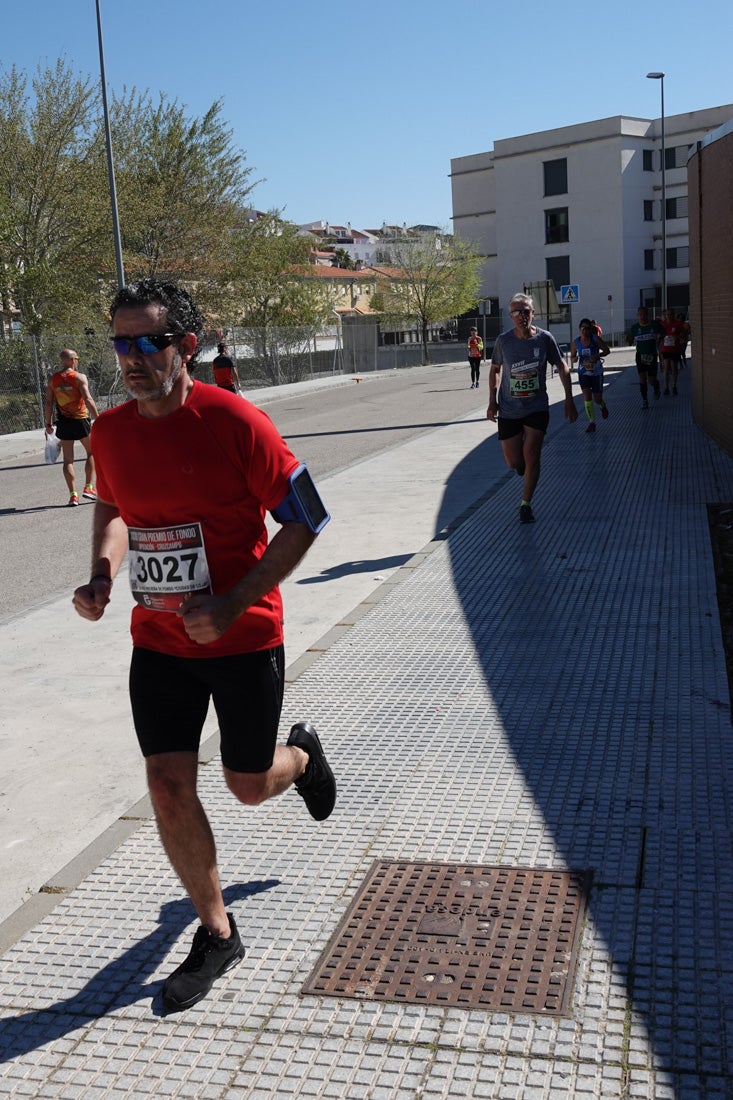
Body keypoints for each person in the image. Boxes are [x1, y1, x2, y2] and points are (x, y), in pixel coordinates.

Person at [72, 278, 336, 1013]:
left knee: (246, 786)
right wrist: (101, 572)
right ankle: (217, 931)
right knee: (167, 784)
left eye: (147, 341)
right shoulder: (111, 432)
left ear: (185, 346)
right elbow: (114, 506)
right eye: (119, 342)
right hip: (157, 641)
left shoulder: (236, 421)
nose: (130, 357)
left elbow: (306, 516)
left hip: (244, 637)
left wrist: (233, 601)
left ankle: (303, 757)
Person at [487, 293, 578, 524]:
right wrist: (491, 401)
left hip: (536, 407)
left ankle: (525, 504)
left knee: (533, 455)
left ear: (533, 313)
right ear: (511, 316)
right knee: (514, 462)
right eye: (516, 312)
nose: (521, 316)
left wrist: (569, 398)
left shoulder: (545, 339)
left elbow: (561, 365)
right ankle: (522, 470)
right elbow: (495, 369)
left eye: (525, 311)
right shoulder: (504, 341)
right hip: (509, 409)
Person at [44, 349, 100, 506]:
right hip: (80, 420)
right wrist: (98, 418)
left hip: (63, 422)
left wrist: (48, 423)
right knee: (92, 452)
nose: (77, 361)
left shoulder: (53, 379)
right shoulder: (79, 377)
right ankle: (89, 487)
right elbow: (88, 399)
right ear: (73, 360)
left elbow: (48, 403)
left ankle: (73, 496)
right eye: (77, 358)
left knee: (68, 460)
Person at [570, 318, 611, 433]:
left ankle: (602, 405)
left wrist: (597, 356)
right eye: (582, 328)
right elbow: (572, 357)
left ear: (590, 330)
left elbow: (607, 351)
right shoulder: (575, 342)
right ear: (579, 330)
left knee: (597, 399)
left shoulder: (595, 339)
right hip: (583, 373)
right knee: (587, 397)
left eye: (587, 328)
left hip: (596, 373)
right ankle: (592, 422)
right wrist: (575, 359)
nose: (584, 330)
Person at [626, 307, 664, 409]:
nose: (642, 317)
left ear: (648, 315)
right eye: (640, 315)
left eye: (644, 314)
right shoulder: (634, 328)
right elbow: (630, 341)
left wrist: (659, 340)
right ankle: (645, 400)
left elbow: (663, 333)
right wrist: (628, 340)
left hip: (651, 355)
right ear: (637, 315)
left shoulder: (654, 325)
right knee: (642, 378)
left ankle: (656, 387)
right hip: (640, 355)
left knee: (651, 380)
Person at [660, 309, 686, 395]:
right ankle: (666, 387)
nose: (669, 316)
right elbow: (659, 335)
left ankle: (674, 386)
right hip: (665, 349)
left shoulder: (678, 324)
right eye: (667, 315)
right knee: (666, 367)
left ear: (673, 315)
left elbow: (683, 335)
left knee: (674, 367)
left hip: (675, 349)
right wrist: (660, 338)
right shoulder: (662, 324)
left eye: (671, 314)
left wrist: (677, 336)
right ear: (665, 315)